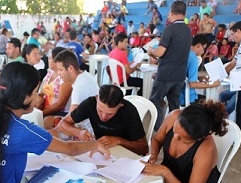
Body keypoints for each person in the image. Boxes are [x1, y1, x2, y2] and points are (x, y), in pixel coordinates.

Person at [57, 84, 148, 155]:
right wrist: (78, 132)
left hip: (125, 153)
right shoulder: (90, 103)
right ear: (97, 99)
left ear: (120, 105)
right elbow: (62, 124)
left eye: (110, 114)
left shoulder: (129, 111)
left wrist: (119, 140)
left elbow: (144, 148)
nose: (103, 116)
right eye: (100, 110)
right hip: (100, 150)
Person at [147, 1, 192, 130]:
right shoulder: (188, 30)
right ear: (185, 13)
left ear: (171, 13)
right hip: (179, 74)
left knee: (155, 100)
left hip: (166, 73)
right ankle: (174, 130)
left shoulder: (170, 29)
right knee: (174, 105)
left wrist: (151, 52)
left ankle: (158, 129)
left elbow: (161, 51)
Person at [37, 47, 72, 129]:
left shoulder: (65, 78)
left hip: (59, 113)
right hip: (45, 109)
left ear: (57, 61)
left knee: (43, 125)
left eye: (49, 58)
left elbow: (60, 105)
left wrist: (41, 113)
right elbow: (42, 92)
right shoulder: (50, 72)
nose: (48, 60)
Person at [180, 34, 221, 106]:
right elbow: (192, 84)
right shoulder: (193, 59)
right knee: (211, 103)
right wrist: (211, 85)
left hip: (177, 94)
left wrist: (198, 77)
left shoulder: (184, 52)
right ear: (198, 45)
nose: (203, 51)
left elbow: (185, 74)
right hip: (187, 97)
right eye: (204, 48)